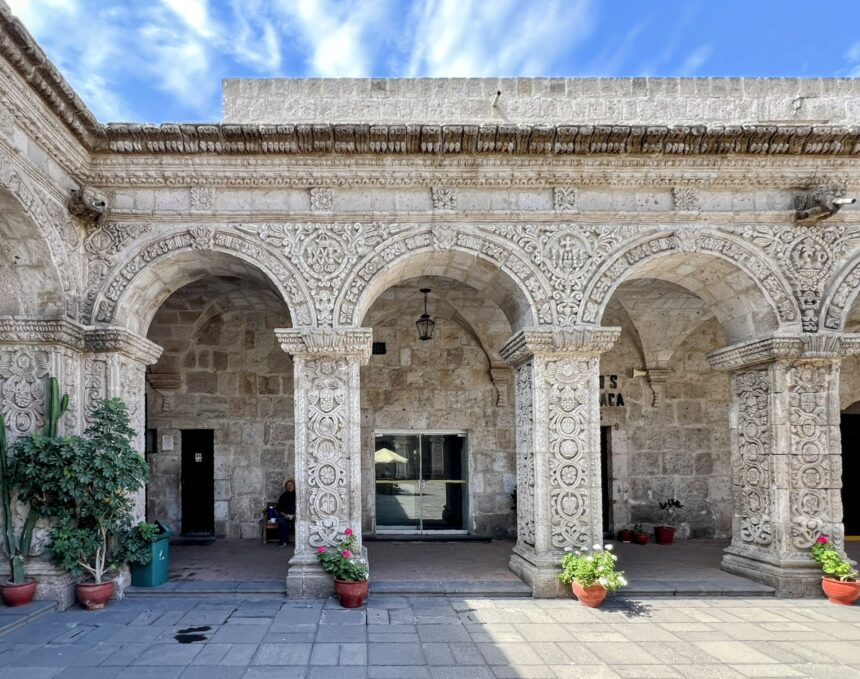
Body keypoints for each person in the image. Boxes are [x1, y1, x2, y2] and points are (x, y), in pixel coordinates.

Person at [276, 479, 296, 547]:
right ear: (285, 487)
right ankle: (283, 541)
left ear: (294, 486)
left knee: (297, 522)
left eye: (291, 485)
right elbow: (279, 508)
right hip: (285, 515)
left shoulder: (297, 495)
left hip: (295, 515)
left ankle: (298, 542)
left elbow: (301, 507)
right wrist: (284, 515)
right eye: (287, 485)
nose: (289, 486)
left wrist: (294, 515)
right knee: (281, 521)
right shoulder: (283, 496)